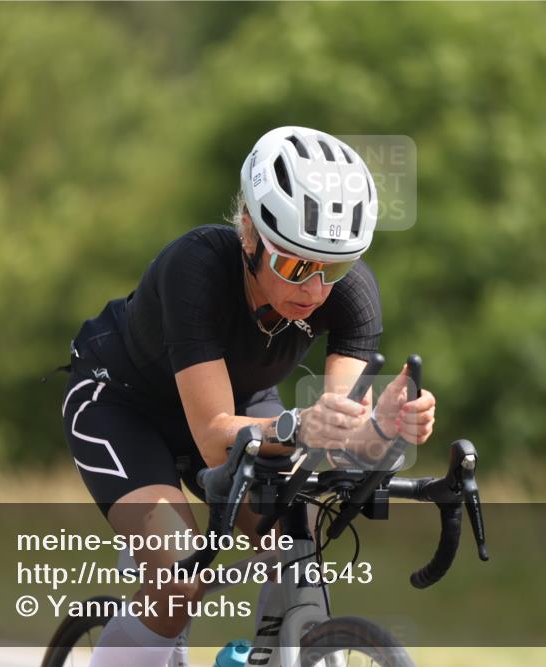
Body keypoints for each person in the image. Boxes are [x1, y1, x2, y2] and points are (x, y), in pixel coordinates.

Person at [59, 126, 436, 667]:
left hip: (243, 405)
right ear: (249, 234)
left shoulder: (347, 293)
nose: (313, 290)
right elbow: (216, 439)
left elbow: (339, 437)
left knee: (297, 543)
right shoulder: (197, 268)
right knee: (179, 575)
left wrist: (381, 428)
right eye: (294, 265)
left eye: (334, 268)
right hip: (123, 404)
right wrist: (301, 426)